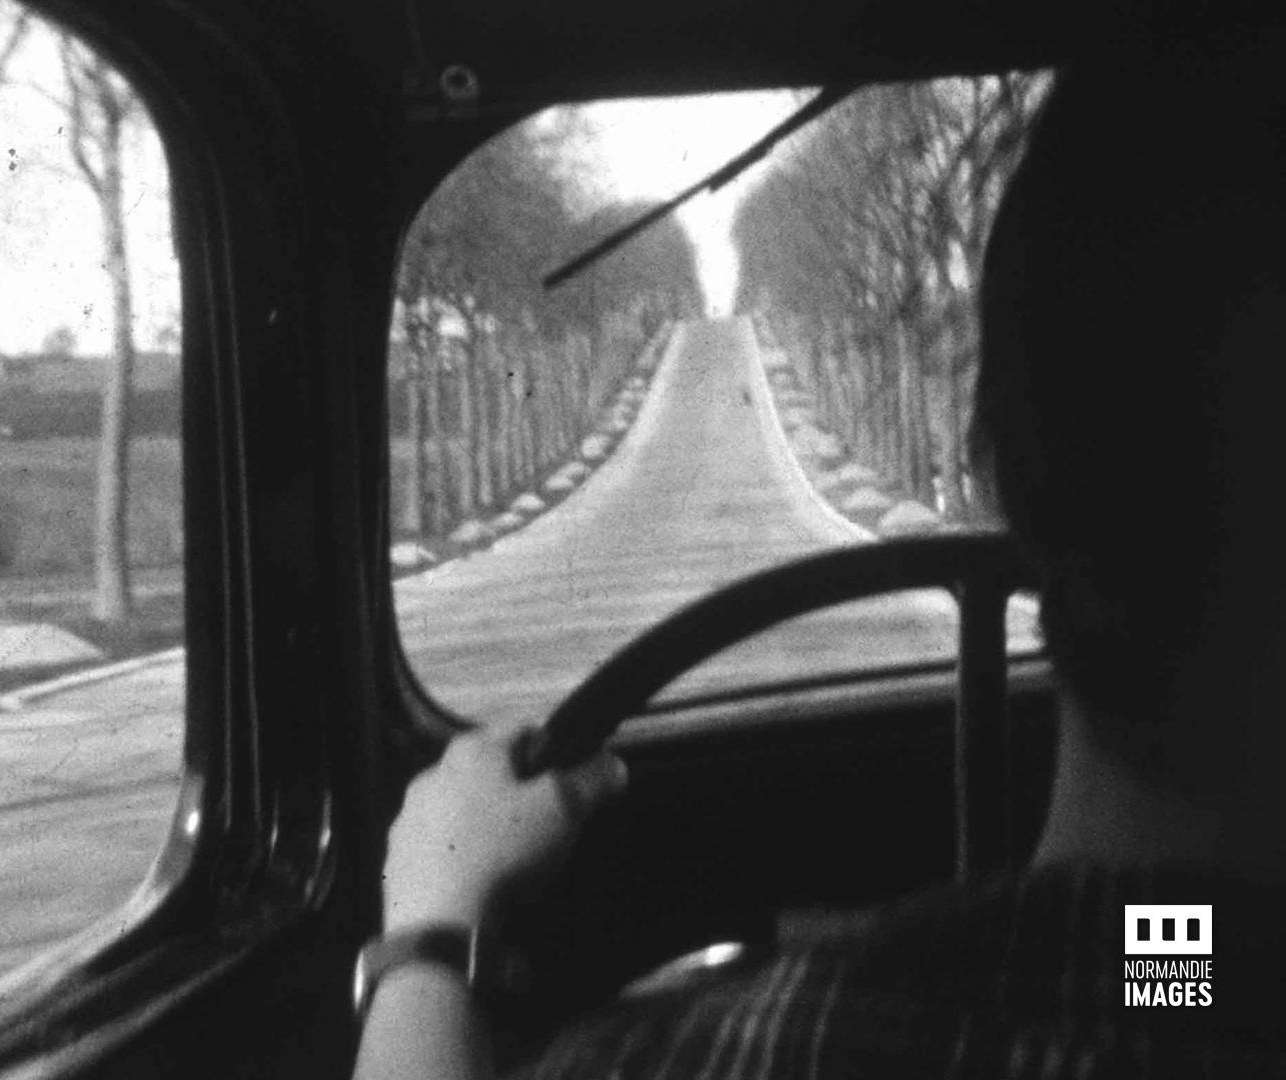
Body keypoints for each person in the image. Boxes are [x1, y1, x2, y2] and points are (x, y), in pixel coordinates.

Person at [355, 16, 1286, 1079]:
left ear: (994, 466)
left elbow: (1148, 960)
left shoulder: (728, 1054)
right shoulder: (1191, 973)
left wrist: (428, 940)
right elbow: (1178, 975)